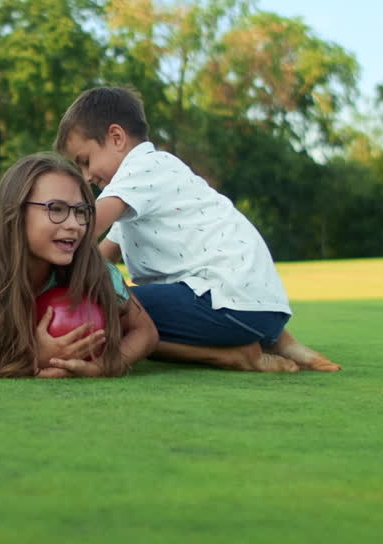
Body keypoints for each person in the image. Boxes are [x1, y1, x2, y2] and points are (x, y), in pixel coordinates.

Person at [56, 87, 341, 372]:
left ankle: (235, 356)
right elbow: (102, 257)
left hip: (226, 303)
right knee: (109, 294)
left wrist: (40, 260)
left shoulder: (140, 169)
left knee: (106, 310)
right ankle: (280, 341)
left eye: (85, 161)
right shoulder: (152, 182)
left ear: (116, 138)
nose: (87, 177)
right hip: (261, 310)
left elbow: (85, 228)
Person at [0, 153, 159, 377]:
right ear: (16, 212)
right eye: (56, 209)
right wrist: (32, 360)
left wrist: (101, 367)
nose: (74, 225)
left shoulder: (94, 269)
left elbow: (145, 332)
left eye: (81, 211)